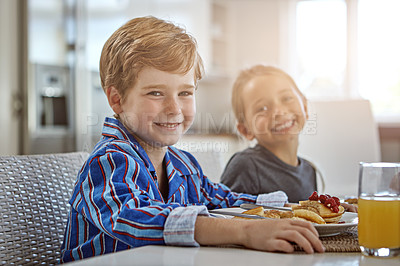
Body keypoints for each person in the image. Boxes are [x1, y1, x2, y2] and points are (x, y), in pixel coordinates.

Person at [60, 17, 324, 263]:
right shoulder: (109, 161)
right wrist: (245, 230)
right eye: (155, 93)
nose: (174, 108)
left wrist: (301, 209)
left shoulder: (184, 165)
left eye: (185, 92)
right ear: (117, 99)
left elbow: (226, 201)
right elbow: (137, 219)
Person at [220, 65, 317, 203]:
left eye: (287, 98)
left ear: (305, 107)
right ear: (245, 130)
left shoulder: (309, 170)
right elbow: (227, 219)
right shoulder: (246, 166)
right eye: (262, 108)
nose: (278, 111)